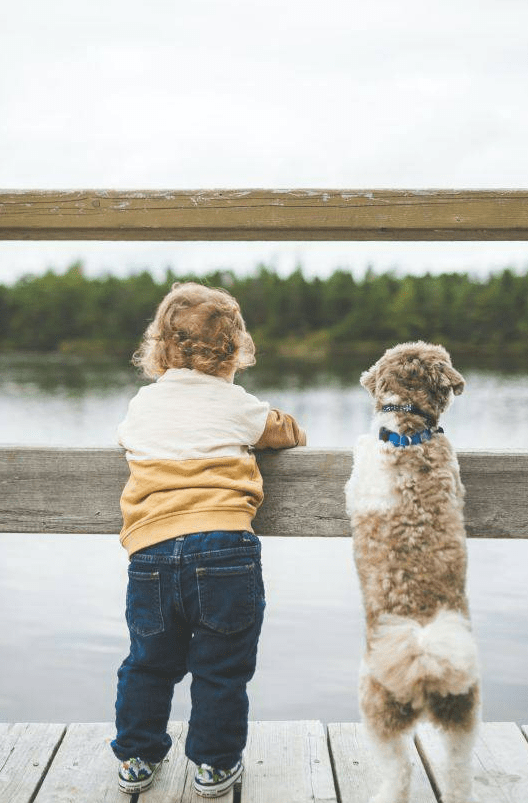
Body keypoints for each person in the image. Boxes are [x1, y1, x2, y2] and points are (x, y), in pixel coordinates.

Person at [111, 282, 306, 797]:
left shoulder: (142, 405)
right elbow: (284, 432)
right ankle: (215, 767)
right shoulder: (237, 404)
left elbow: (126, 438)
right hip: (224, 550)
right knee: (222, 669)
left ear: (159, 350)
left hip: (150, 552)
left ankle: (136, 756)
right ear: (235, 353)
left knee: (149, 663)